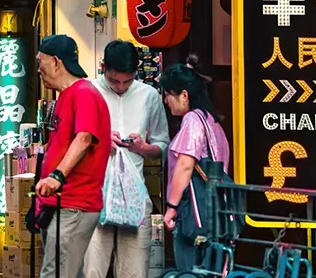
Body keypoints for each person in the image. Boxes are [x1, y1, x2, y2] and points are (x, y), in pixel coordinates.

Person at [83, 42, 170, 278]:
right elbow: (70, 142)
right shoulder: (87, 92)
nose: (120, 87)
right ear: (103, 68)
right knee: (92, 270)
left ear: (137, 71)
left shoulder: (149, 96)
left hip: (134, 199)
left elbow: (163, 145)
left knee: (134, 271)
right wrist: (97, 142)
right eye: (114, 81)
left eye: (127, 81)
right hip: (93, 197)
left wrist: (143, 147)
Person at [33, 35, 111, 278]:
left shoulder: (84, 92)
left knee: (55, 274)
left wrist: (57, 175)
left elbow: (85, 137)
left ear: (56, 62)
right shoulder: (65, 96)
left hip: (73, 204)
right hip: (60, 204)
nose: (38, 69)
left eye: (41, 62)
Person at [160, 58, 229, 272]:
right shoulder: (212, 121)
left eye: (168, 94)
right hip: (217, 211)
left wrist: (171, 207)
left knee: (189, 269)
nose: (165, 100)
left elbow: (185, 166)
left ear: (184, 95)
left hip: (193, 211)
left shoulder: (192, 121)